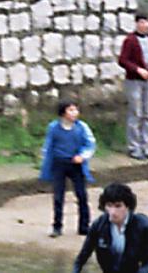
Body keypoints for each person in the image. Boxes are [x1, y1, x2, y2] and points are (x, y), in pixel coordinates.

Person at [73, 183, 148, 273]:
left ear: (127, 207)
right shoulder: (98, 226)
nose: (113, 212)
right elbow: (82, 257)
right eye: (109, 205)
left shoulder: (144, 226)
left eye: (118, 206)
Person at [40, 100, 96, 238]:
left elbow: (90, 143)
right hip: (59, 164)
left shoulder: (81, 127)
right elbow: (48, 146)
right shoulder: (54, 127)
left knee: (82, 195)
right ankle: (57, 226)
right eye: (71, 110)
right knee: (58, 196)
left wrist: (83, 156)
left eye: (76, 110)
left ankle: (84, 226)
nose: (74, 113)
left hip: (75, 164)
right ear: (63, 112)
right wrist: (46, 163)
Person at [117, 14, 148, 161]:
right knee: (136, 112)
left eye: (146, 22)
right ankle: (134, 147)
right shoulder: (130, 40)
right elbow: (123, 60)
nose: (144, 24)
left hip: (147, 80)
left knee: (147, 113)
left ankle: (145, 146)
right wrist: (137, 69)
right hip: (134, 80)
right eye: (141, 22)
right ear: (136, 24)